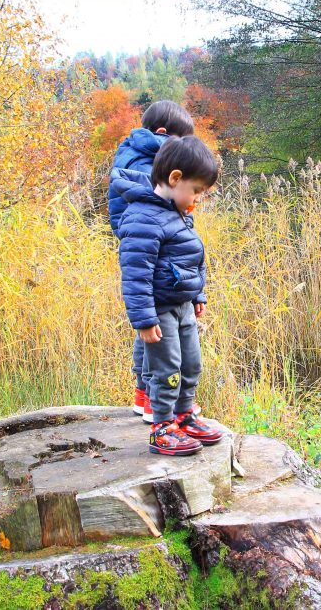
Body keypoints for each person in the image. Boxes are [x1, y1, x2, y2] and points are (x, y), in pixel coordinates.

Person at [115, 135, 223, 455]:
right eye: (196, 190)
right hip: (160, 311)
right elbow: (136, 273)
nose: (197, 199)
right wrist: (144, 320)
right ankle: (162, 426)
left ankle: (184, 415)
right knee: (167, 368)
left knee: (191, 363)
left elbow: (190, 256)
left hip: (183, 306)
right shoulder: (143, 217)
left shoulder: (178, 212)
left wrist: (198, 293)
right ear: (175, 178)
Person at [108, 100, 194, 423]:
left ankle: (143, 394)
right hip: (152, 247)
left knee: (151, 327)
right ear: (162, 134)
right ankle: (151, 398)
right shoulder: (150, 164)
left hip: (147, 243)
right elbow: (157, 211)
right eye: (180, 142)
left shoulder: (135, 153)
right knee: (155, 326)